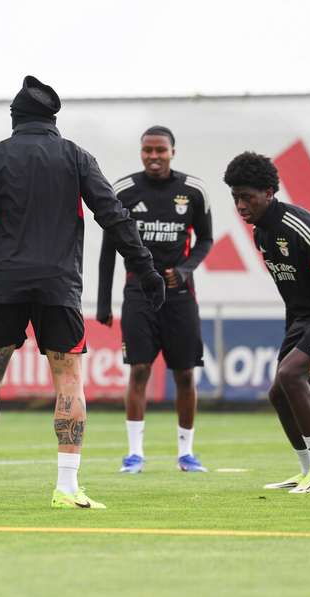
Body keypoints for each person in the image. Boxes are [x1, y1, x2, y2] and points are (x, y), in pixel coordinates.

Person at [0, 76, 164, 510]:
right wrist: (146, 268)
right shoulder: (76, 157)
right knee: (68, 379)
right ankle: (66, 487)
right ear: (53, 119)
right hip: (58, 284)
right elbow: (114, 216)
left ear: (15, 119)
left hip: (4, 283)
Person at [224, 151, 310, 494]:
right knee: (279, 391)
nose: (240, 205)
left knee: (291, 375)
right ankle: (306, 471)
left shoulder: (298, 225)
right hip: (308, 315)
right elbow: (291, 291)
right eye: (235, 197)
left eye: (247, 196)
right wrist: (294, 337)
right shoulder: (261, 234)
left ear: (270, 192)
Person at [96, 126, 213, 474]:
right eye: (148, 150)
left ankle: (186, 454)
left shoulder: (193, 191)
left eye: (160, 150)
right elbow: (108, 251)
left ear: (173, 152)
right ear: (141, 152)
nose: (154, 157)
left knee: (185, 374)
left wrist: (187, 268)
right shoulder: (124, 191)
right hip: (139, 293)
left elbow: (205, 240)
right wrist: (103, 304)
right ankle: (134, 454)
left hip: (179, 295)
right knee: (140, 369)